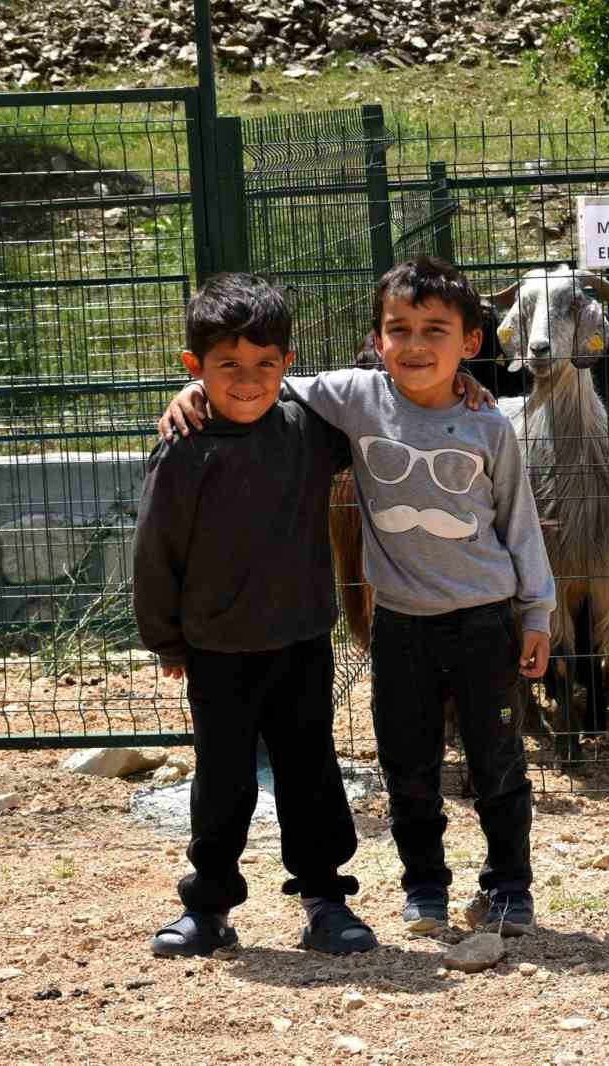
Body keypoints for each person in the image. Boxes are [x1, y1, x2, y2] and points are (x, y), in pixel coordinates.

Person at [159, 256, 555, 938]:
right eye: (398, 329)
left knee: (498, 762)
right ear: (376, 340)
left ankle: (509, 886)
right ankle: (425, 888)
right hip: (399, 624)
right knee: (409, 767)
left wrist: (538, 611)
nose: (415, 345)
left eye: (435, 330)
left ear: (471, 343)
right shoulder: (354, 396)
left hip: (487, 619)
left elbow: (520, 524)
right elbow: (256, 381)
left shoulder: (492, 426)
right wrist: (186, 394)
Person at [134, 273, 377, 958]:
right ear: (194, 368)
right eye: (226, 367)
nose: (247, 381)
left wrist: (467, 389)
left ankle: (326, 900)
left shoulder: (308, 431)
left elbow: (378, 398)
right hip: (216, 650)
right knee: (223, 778)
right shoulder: (185, 448)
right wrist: (166, 640)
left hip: (302, 640)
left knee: (311, 772)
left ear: (287, 365)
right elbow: (155, 552)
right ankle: (209, 906)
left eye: (265, 364)